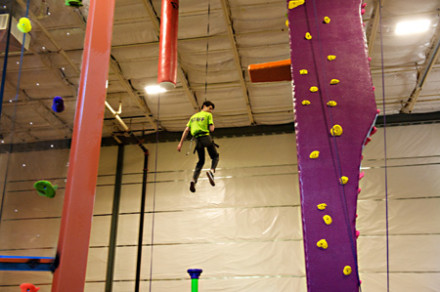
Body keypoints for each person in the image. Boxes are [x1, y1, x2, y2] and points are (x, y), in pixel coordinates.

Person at [177, 101, 219, 192]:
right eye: (210, 108)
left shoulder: (193, 117)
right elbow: (212, 129)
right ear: (204, 106)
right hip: (206, 138)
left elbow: (186, 130)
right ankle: (211, 172)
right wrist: (212, 124)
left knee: (201, 161)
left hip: (197, 141)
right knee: (215, 156)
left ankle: (193, 180)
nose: (210, 111)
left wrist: (180, 143)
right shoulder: (208, 115)